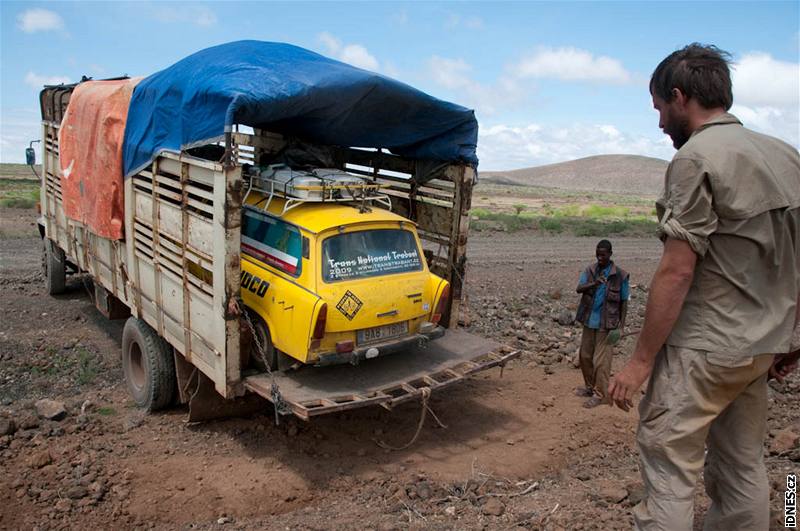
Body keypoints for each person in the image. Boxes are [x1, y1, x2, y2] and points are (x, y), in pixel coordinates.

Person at [608, 43, 800, 530]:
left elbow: (676, 271)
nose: (659, 124)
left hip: (704, 350)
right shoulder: (786, 156)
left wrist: (640, 362)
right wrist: (794, 340)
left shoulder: (696, 159)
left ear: (680, 96)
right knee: (743, 469)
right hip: (762, 347)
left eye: (659, 109)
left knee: (669, 466)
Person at [574, 239, 629, 408]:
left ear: (610, 254)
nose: (599, 258)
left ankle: (602, 395)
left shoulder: (620, 275)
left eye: (603, 255)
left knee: (601, 362)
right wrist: (595, 283)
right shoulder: (590, 271)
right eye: (597, 254)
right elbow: (579, 288)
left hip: (607, 324)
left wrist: (621, 327)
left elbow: (624, 302)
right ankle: (589, 387)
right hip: (589, 321)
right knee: (585, 357)